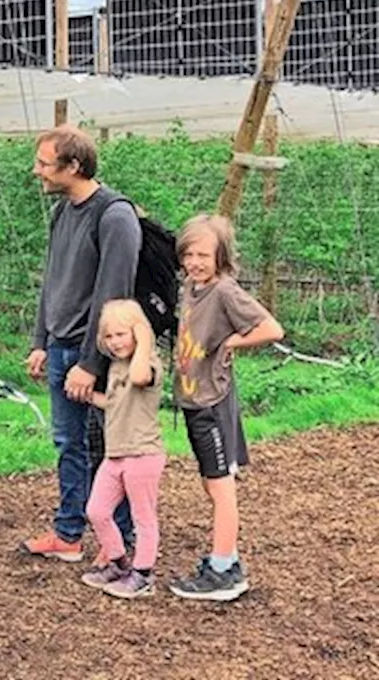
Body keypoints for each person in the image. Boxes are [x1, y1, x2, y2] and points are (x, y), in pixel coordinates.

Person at [22, 124, 140, 564]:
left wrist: (91, 363)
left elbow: (114, 296)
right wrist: (42, 341)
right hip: (60, 348)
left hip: (99, 357)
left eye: (44, 164)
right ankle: (68, 533)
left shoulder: (114, 216)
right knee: (69, 443)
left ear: (73, 166)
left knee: (113, 446)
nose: (37, 172)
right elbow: (52, 281)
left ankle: (123, 542)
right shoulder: (63, 212)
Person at [168, 214, 283, 602]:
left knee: (221, 489)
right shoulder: (191, 286)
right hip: (192, 398)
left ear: (222, 256)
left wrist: (231, 343)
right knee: (209, 482)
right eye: (189, 254)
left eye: (204, 255)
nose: (195, 262)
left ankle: (222, 572)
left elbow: (270, 329)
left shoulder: (224, 292)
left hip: (211, 402)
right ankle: (227, 559)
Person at [80, 299, 166, 600]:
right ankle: (117, 562)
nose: (116, 342)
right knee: (97, 510)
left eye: (122, 334)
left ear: (139, 333)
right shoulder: (117, 367)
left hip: (142, 453)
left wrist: (144, 339)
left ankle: (143, 574)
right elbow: (115, 404)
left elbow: (140, 377)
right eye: (110, 336)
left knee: (143, 516)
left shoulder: (150, 363)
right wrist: (88, 395)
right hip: (115, 454)